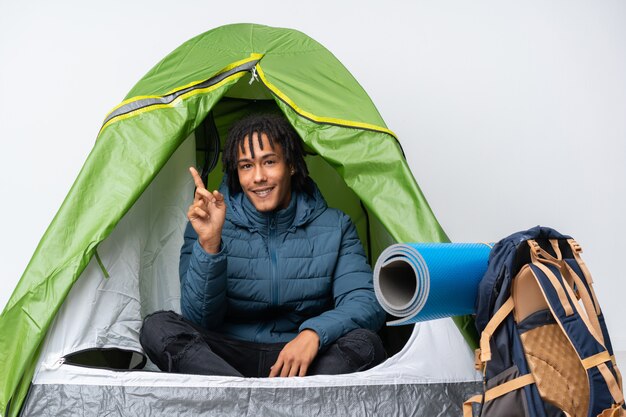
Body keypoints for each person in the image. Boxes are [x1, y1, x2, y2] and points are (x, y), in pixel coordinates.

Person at [140, 114, 387, 377]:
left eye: (269, 162)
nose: (258, 177)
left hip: (301, 359)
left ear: (291, 165)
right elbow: (199, 319)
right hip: (227, 359)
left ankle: (243, 402)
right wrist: (210, 245)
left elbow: (364, 301)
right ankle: (248, 397)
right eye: (246, 166)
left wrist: (315, 333)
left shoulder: (336, 226)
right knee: (157, 328)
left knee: (366, 344)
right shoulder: (209, 222)